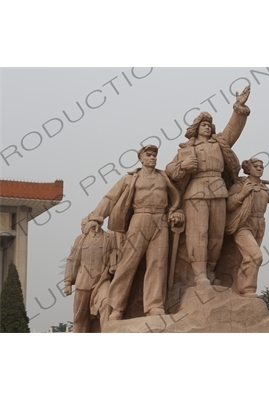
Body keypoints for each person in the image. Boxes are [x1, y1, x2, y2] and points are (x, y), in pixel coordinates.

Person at [84, 145, 184, 320]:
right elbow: (110, 197)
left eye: (154, 155)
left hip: (160, 221)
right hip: (140, 218)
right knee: (127, 263)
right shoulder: (131, 178)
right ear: (141, 158)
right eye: (149, 154)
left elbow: (175, 199)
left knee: (158, 264)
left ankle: (155, 306)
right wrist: (96, 217)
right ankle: (116, 307)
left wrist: (176, 212)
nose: (152, 157)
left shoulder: (163, 177)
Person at [166, 86, 251, 288]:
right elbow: (170, 170)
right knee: (199, 233)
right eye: (203, 124)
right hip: (196, 193)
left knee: (216, 235)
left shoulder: (219, 144)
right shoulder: (187, 149)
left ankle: (211, 271)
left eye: (209, 125)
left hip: (219, 191)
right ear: (196, 128)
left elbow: (233, 130)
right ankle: (199, 274)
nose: (207, 127)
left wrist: (239, 108)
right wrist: (183, 166)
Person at [225, 158, 269, 297]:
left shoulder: (262, 186)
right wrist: (242, 193)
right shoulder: (241, 185)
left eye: (262, 166)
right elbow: (228, 205)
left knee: (244, 258)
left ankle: (236, 289)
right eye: (256, 166)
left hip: (260, 224)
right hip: (243, 223)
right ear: (249, 169)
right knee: (255, 256)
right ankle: (247, 289)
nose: (260, 168)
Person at [64, 217, 117, 332]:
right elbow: (72, 260)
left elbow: (114, 252)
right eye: (81, 225)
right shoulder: (80, 239)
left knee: (107, 304)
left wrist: (113, 265)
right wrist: (68, 282)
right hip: (83, 283)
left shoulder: (109, 238)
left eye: (83, 225)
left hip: (102, 281)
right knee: (80, 316)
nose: (82, 228)